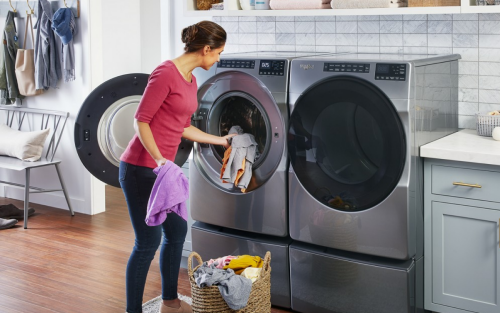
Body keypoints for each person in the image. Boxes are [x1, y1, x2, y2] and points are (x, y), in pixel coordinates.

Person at [119, 21, 232, 313]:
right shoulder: (165, 73)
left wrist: (220, 140)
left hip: (163, 172)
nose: (219, 58)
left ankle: (169, 300)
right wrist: (159, 159)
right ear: (206, 49)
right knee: (147, 241)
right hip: (141, 169)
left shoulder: (191, 79)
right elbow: (140, 120)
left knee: (177, 232)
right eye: (218, 53)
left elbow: (182, 127)